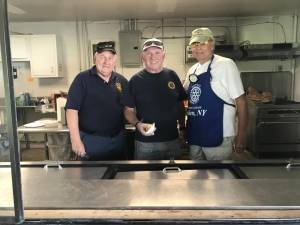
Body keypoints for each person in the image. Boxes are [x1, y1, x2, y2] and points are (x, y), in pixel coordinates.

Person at [184, 28, 247, 160]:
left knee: (220, 178)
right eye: (195, 44)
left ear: (212, 45)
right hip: (196, 135)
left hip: (219, 135)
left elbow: (241, 102)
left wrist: (241, 137)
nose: (198, 48)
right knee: (196, 179)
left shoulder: (226, 65)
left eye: (203, 43)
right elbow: (185, 99)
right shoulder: (192, 70)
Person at [123, 38, 187, 160]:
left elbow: (180, 104)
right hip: (145, 144)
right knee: (144, 177)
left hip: (172, 141)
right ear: (142, 56)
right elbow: (128, 110)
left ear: (163, 55)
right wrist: (138, 124)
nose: (153, 57)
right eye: (149, 53)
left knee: (174, 177)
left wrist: (183, 127)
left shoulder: (172, 76)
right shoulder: (135, 80)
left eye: (157, 52)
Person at [66, 41, 128, 160]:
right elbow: (71, 111)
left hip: (118, 140)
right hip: (91, 141)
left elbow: (127, 108)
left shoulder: (121, 81)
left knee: (118, 176)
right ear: (95, 59)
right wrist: (75, 141)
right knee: (90, 177)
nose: (106, 62)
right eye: (102, 57)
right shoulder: (82, 79)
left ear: (115, 61)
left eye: (110, 58)